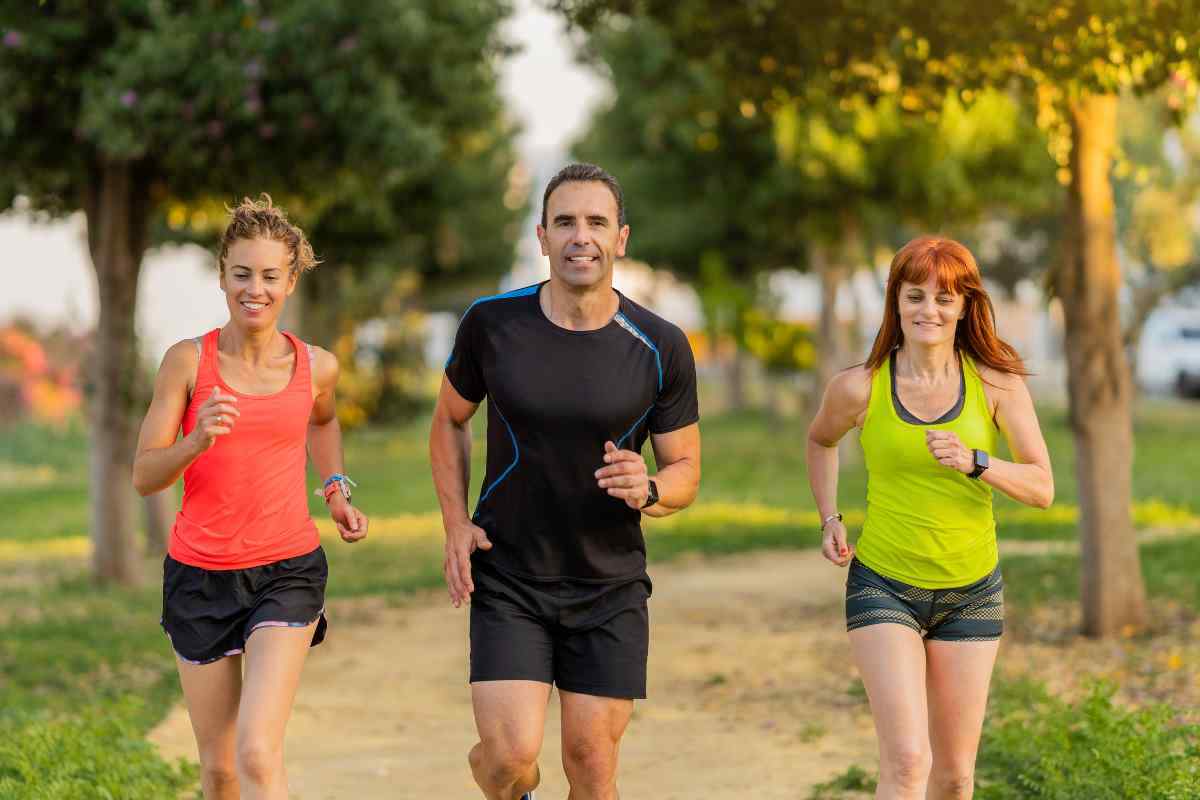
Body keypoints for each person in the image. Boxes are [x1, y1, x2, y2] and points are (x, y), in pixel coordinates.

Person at [429, 163, 701, 800]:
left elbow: (686, 471)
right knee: (507, 759)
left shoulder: (661, 344)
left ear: (622, 238)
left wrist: (652, 488)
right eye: (565, 222)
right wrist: (454, 523)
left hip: (608, 584)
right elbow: (448, 420)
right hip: (510, 573)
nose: (582, 236)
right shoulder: (492, 324)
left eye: (597, 222)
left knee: (591, 766)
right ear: (542, 237)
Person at [132, 195, 368, 800]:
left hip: (286, 570)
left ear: (290, 280)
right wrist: (195, 440)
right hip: (199, 576)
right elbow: (144, 474)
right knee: (219, 770)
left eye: (269, 276)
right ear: (222, 277)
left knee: (258, 753)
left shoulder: (318, 366)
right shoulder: (187, 362)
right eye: (241, 274)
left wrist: (335, 488)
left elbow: (322, 421)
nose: (254, 289)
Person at [806, 236, 1053, 800]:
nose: (928, 311)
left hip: (972, 591)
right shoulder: (858, 387)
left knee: (955, 777)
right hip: (884, 585)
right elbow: (820, 441)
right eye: (915, 296)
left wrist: (977, 462)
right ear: (895, 302)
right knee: (908, 761)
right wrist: (830, 517)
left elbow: (1042, 487)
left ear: (966, 305)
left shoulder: (995, 384)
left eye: (944, 298)